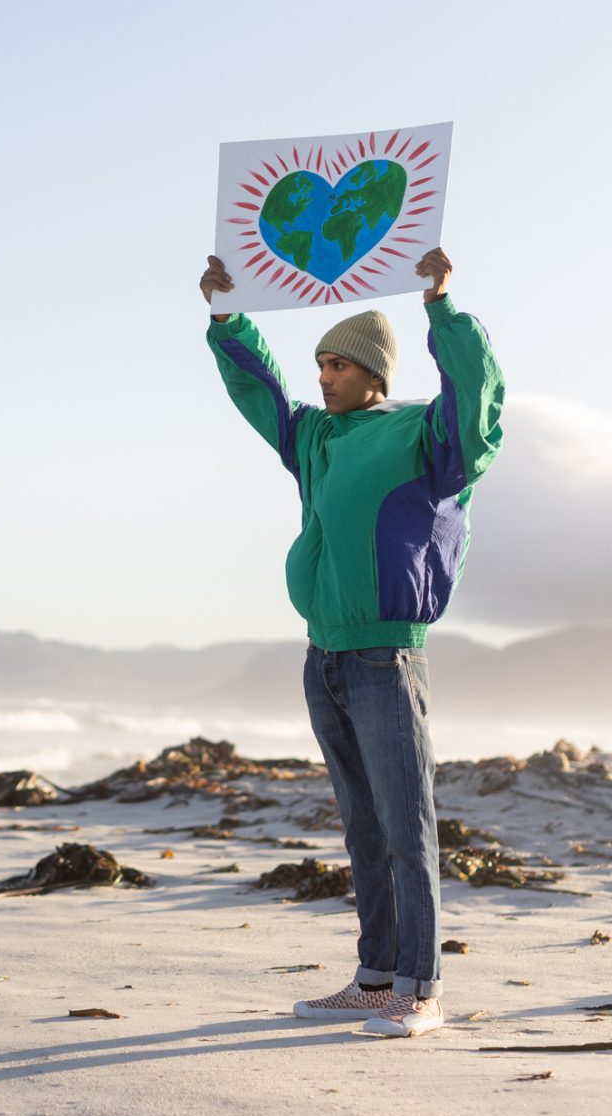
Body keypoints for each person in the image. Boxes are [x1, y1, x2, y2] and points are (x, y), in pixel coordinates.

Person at [198, 248, 504, 1038]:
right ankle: (375, 977)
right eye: (321, 363)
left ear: (374, 374)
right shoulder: (314, 441)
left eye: (339, 365)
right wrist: (227, 317)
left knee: (410, 827)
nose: (325, 376)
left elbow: (477, 408)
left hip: (385, 659)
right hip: (323, 657)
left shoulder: (422, 438)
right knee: (363, 829)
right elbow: (258, 390)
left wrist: (442, 307)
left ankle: (422, 989)